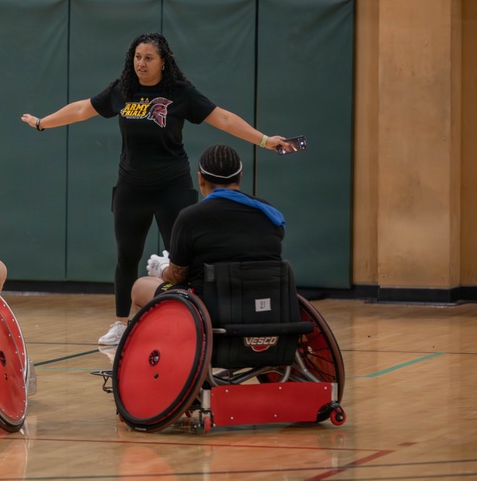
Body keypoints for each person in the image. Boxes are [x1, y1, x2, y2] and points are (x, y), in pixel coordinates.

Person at [20, 32, 292, 346]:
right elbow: (83, 109)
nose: (141, 64)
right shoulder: (123, 90)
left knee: (182, 259)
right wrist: (43, 122)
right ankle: (121, 323)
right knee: (126, 257)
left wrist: (264, 140)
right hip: (131, 188)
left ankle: (189, 320)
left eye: (149, 58)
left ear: (164, 61)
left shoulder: (180, 93)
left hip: (172, 186)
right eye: (137, 57)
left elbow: (224, 118)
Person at [130, 144, 285, 309]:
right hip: (266, 302)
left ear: (200, 178)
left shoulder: (190, 217)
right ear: (240, 176)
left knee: (141, 286)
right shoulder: (269, 213)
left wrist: (161, 268)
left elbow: (177, 277)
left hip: (210, 306)